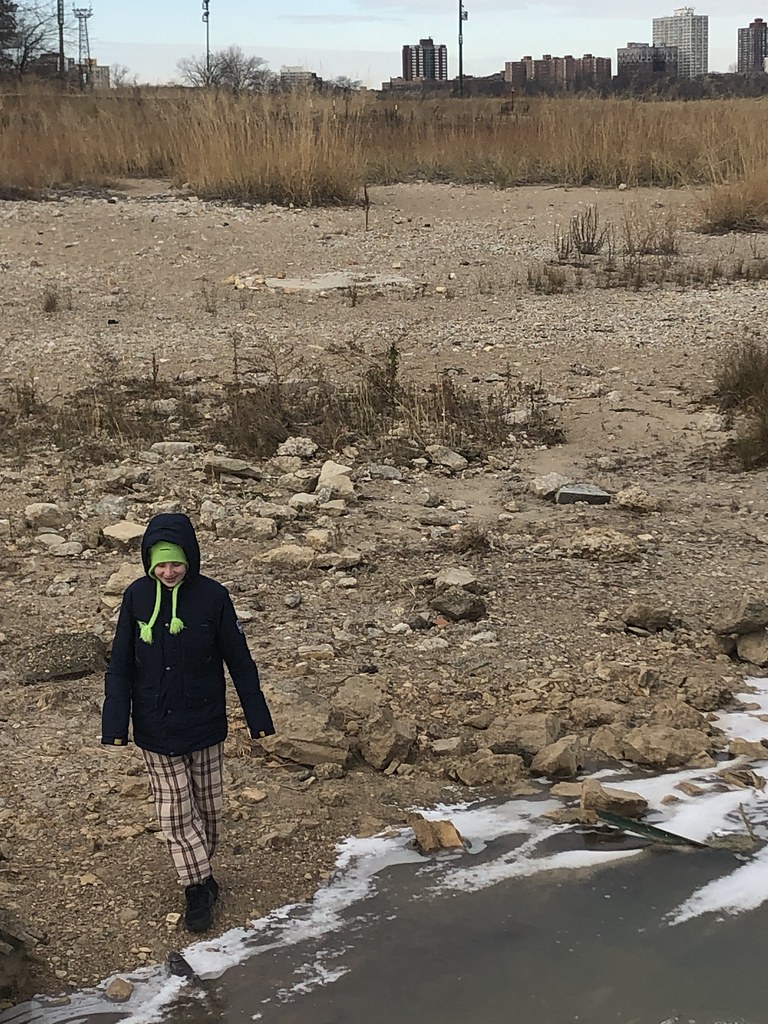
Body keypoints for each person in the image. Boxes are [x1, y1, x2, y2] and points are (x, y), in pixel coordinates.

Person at [101, 512, 275, 932]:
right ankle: (197, 886)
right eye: (160, 563)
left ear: (190, 559)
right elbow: (120, 664)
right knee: (175, 810)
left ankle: (202, 869)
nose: (168, 571)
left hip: (205, 722)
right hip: (155, 726)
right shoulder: (136, 598)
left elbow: (239, 660)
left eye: (175, 562)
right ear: (148, 562)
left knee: (209, 809)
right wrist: (114, 725)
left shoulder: (213, 598)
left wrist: (258, 718)